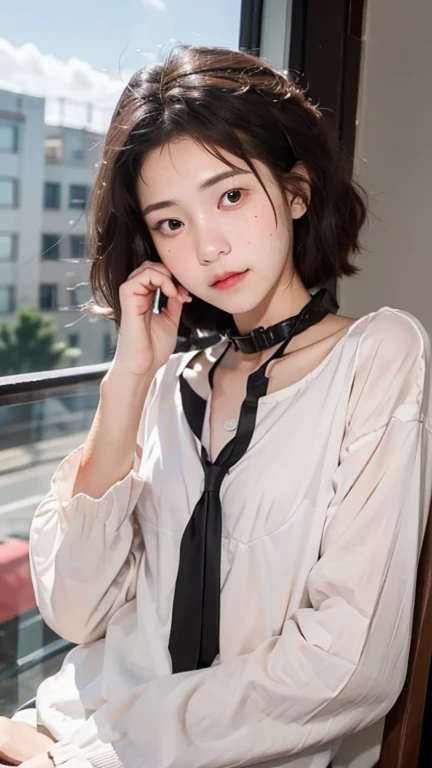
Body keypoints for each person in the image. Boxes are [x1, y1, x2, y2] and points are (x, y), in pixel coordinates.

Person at [1, 44, 431, 768]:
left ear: (295, 192)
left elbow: (349, 665)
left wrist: (97, 757)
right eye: (170, 223)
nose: (206, 245)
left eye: (230, 195)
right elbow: (76, 613)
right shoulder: (169, 385)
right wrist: (129, 380)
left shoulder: (379, 357)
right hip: (73, 725)